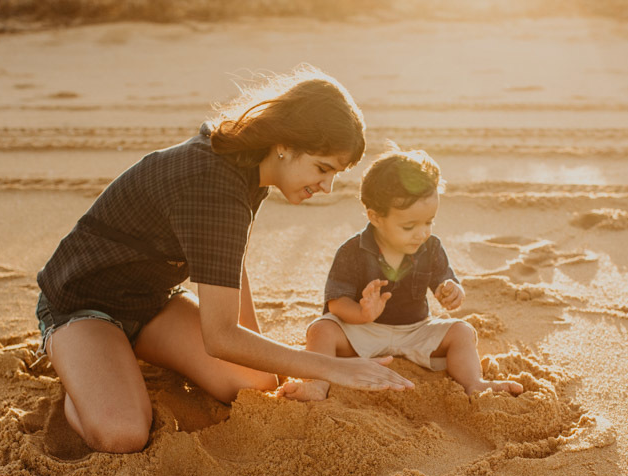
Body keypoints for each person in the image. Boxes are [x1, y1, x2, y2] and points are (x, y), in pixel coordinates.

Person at [35, 66, 413, 453]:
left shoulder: (252, 169)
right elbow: (220, 337)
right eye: (322, 168)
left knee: (257, 384)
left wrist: (272, 369)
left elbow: (231, 265)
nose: (327, 186)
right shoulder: (214, 181)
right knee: (123, 433)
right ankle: (78, 367)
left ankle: (113, 358)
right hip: (82, 304)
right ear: (285, 143)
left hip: (149, 303)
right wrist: (330, 367)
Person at [277, 147, 524, 402]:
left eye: (429, 222)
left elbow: (446, 282)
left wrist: (452, 292)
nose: (422, 233)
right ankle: (317, 385)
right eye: (409, 226)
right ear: (375, 217)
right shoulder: (352, 251)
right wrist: (362, 314)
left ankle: (474, 383)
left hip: (416, 329)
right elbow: (336, 303)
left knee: (462, 331)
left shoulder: (431, 247)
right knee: (322, 330)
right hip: (365, 330)